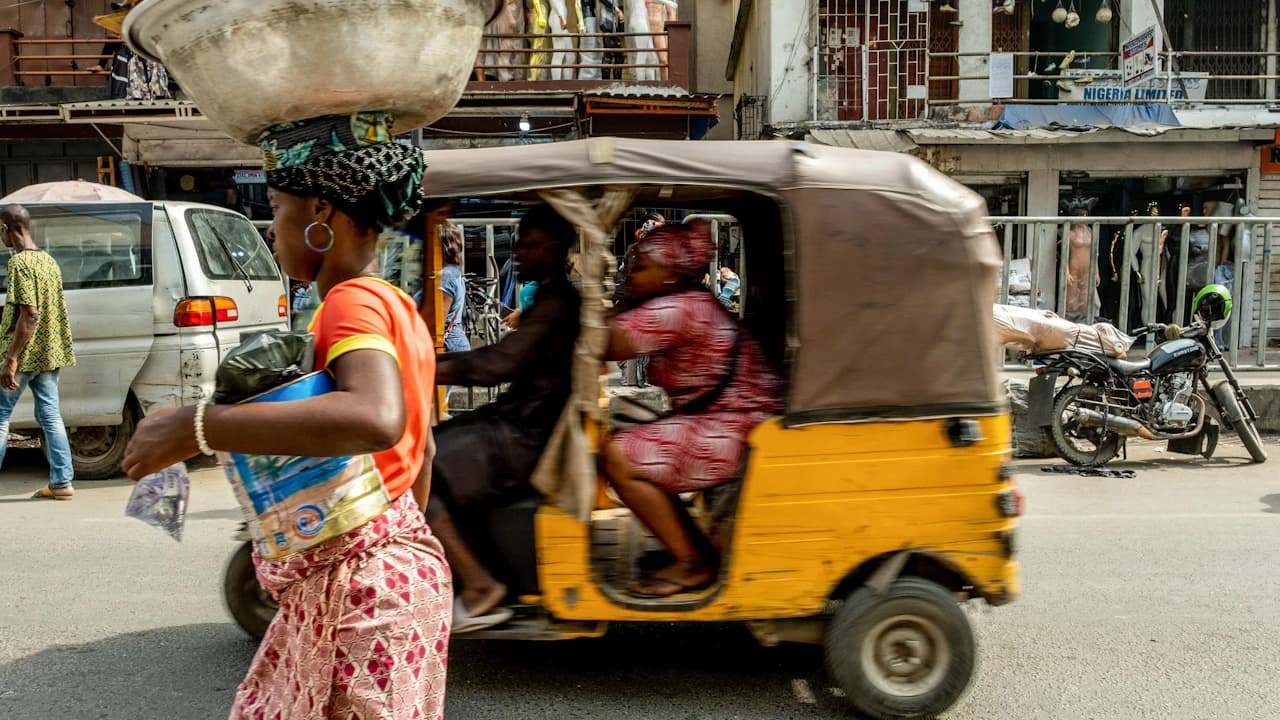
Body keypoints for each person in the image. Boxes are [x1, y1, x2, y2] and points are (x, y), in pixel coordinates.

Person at [121, 112, 452, 720]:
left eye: (276, 208)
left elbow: (375, 418)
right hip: (394, 580)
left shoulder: (349, 302)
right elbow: (420, 451)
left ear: (320, 212)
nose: (272, 230)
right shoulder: (397, 303)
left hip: (365, 596)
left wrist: (196, 426)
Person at [604, 222, 783, 597]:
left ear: (670, 275)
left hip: (742, 429)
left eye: (640, 266)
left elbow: (601, 342)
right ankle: (689, 546)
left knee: (620, 456)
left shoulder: (680, 308)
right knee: (628, 428)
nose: (630, 272)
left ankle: (692, 563)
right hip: (731, 420)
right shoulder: (688, 300)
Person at [427, 204, 580, 632]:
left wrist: (426, 366)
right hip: (516, 421)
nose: (518, 254)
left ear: (552, 248)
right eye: (519, 244)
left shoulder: (557, 302)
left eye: (529, 246)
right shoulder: (550, 297)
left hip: (524, 434)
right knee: (441, 441)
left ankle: (479, 587)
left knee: (420, 469)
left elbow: (498, 363)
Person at [0, 205, 77, 501]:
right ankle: (62, 483)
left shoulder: (20, 264)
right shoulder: (49, 261)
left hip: (25, 353)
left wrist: (12, 358)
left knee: (1, 416)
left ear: (7, 229)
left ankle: (61, 483)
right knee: (50, 416)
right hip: (49, 354)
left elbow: (29, 314)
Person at [439, 223, 471, 354]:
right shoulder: (452, 271)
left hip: (448, 347)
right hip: (454, 344)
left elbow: (438, 320)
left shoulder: (446, 275)